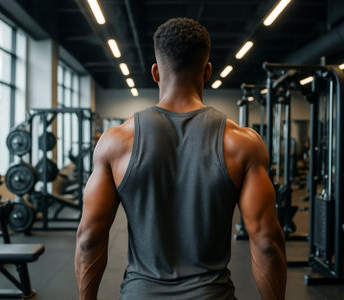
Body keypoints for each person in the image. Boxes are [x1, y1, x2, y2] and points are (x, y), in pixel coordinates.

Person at [75, 17, 286, 300]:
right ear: (208, 70)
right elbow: (267, 244)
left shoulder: (116, 142)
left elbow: (89, 240)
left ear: (155, 72)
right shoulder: (241, 143)